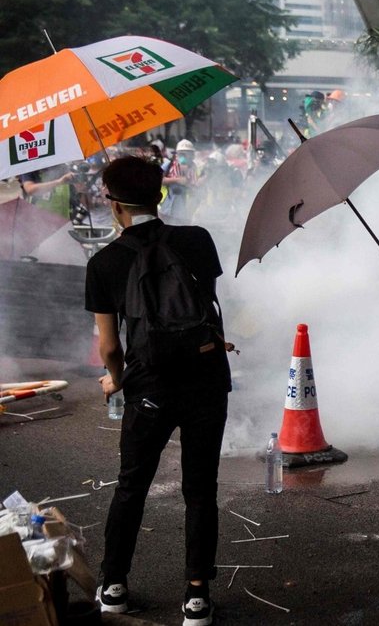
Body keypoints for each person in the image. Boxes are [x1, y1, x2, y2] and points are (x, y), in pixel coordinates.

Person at [85, 156, 233, 625]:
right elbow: (200, 309)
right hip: (205, 378)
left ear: (114, 204)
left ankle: (113, 587)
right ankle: (196, 599)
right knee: (200, 488)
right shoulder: (197, 240)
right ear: (159, 195)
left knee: (132, 485)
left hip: (148, 386)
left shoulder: (104, 262)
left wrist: (118, 378)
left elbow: (110, 347)